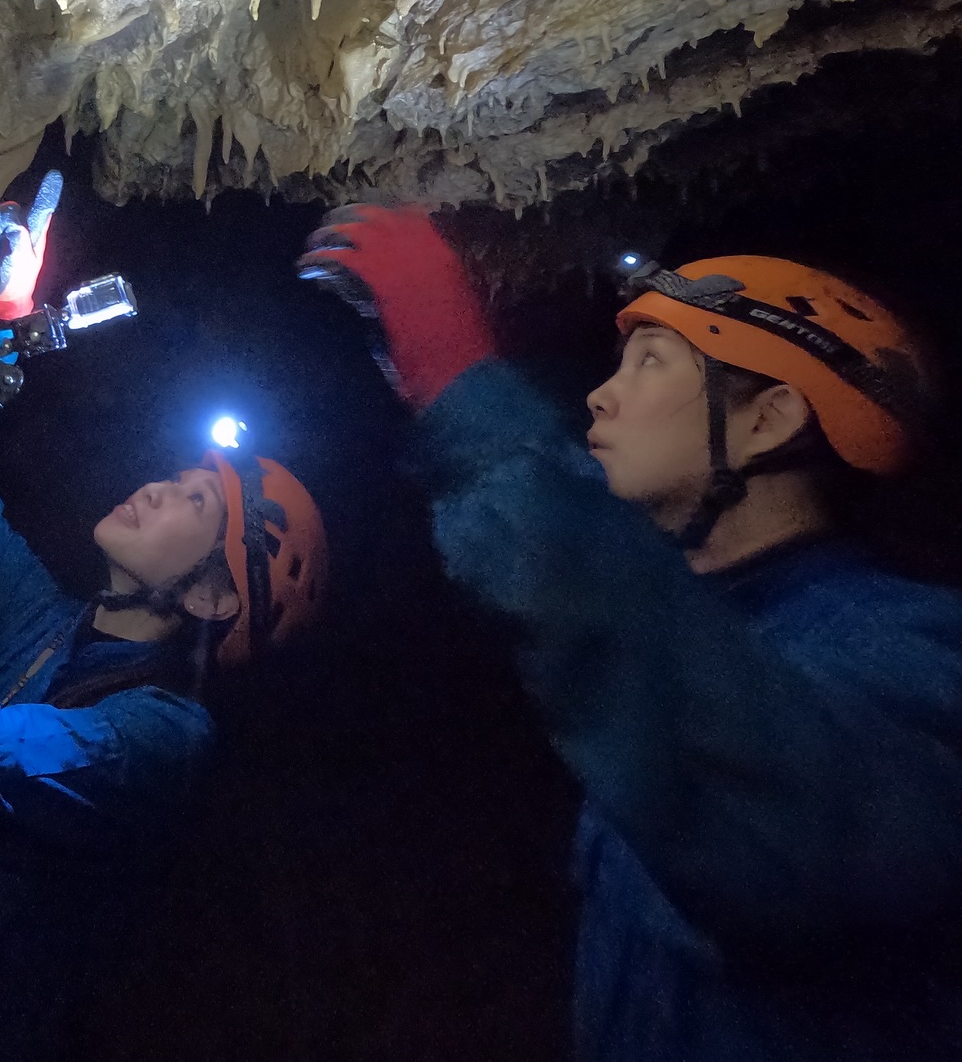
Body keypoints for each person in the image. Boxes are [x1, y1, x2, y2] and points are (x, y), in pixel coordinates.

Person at [299, 209, 962, 1062]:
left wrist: (468, 393)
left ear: (769, 420)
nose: (601, 394)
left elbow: (771, 809)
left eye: (651, 362)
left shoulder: (913, 653)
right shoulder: (703, 643)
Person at [0, 174, 327, 1062]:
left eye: (195, 505)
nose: (157, 486)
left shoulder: (158, 739)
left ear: (211, 598)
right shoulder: (51, 628)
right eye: (176, 475)